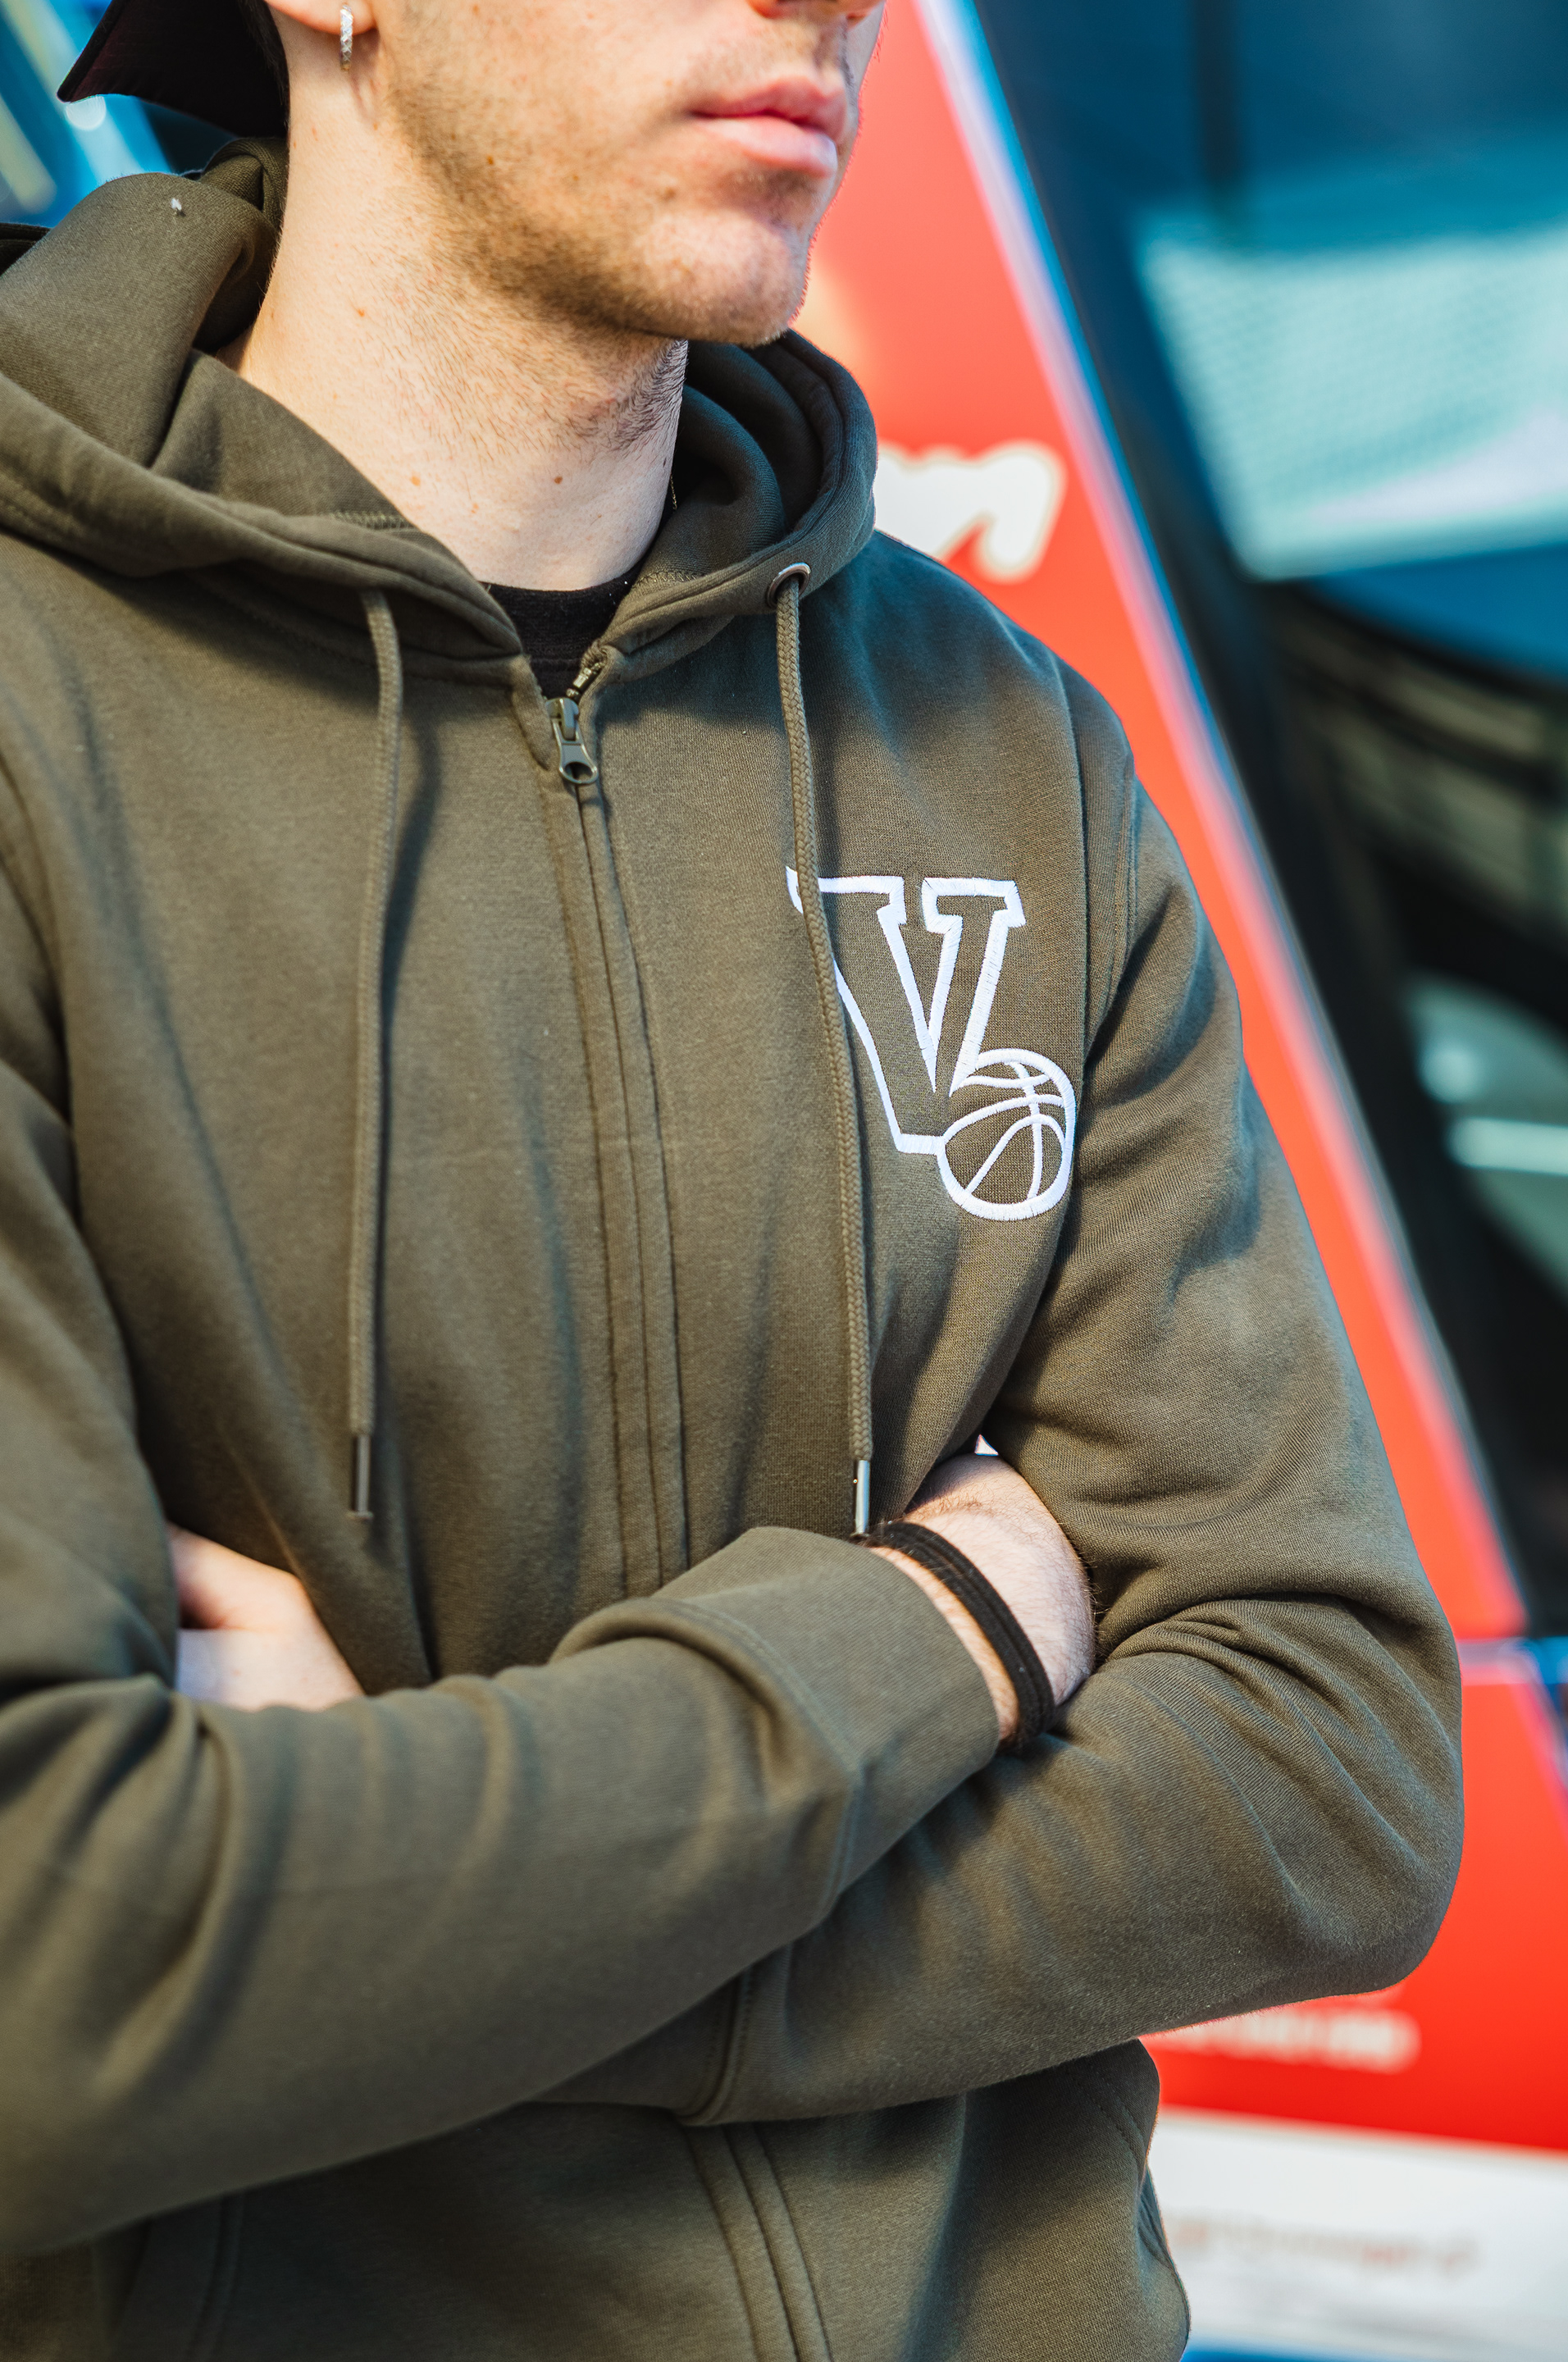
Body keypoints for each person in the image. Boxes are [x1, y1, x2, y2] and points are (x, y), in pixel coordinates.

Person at [0, 1, 1461, 2355]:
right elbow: (61, 1967)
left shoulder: (1006, 754)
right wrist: (945, 1627)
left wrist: (412, 1944)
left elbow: (1338, 1766)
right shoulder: (29, 717)